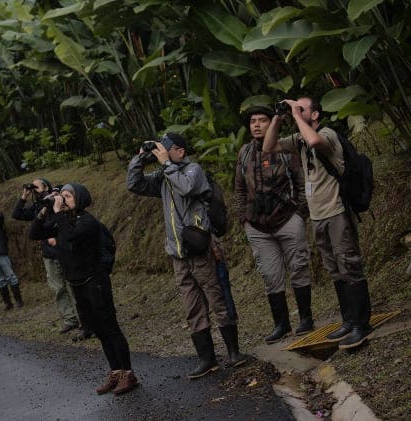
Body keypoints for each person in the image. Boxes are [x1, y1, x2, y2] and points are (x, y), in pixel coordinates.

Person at [127, 133, 247, 379]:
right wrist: (140, 157)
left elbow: (187, 186)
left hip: (201, 249)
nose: (161, 151)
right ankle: (207, 359)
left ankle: (233, 352)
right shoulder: (163, 177)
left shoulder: (193, 169)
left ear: (180, 151)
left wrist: (166, 165)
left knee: (217, 299)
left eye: (166, 148)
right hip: (178, 255)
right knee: (192, 307)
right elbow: (134, 184)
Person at [263, 96, 374, 349]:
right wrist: (279, 117)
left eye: (301, 109)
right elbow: (268, 147)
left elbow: (314, 140)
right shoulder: (298, 139)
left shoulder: (326, 134)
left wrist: (295, 115)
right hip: (317, 216)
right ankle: (348, 321)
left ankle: (361, 324)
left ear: (314, 115)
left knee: (349, 265)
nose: (296, 112)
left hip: (336, 211)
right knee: (334, 269)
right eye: (295, 109)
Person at [29, 183, 138, 395]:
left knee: (110, 326)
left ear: (79, 199)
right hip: (77, 283)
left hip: (95, 281)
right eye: (62, 196)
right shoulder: (63, 220)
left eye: (68, 196)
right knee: (97, 329)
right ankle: (115, 372)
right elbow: (34, 233)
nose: (63, 199)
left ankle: (128, 373)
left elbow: (70, 236)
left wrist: (58, 211)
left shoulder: (88, 222)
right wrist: (44, 210)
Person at [235, 105, 314, 344]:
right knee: (270, 275)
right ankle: (281, 324)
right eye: (252, 121)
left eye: (262, 120)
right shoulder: (245, 152)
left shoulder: (284, 148)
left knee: (299, 267)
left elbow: (302, 181)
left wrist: (300, 213)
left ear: (272, 123)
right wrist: (243, 217)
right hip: (258, 225)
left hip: (288, 218)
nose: (256, 125)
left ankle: (306, 318)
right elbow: (239, 187)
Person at [12, 178, 80, 334]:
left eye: (36, 186)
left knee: (73, 285)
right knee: (58, 289)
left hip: (64, 251)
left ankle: (84, 318)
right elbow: (17, 214)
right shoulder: (38, 207)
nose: (34, 189)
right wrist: (24, 196)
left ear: (46, 187)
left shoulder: (58, 200)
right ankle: (70, 320)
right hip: (49, 255)